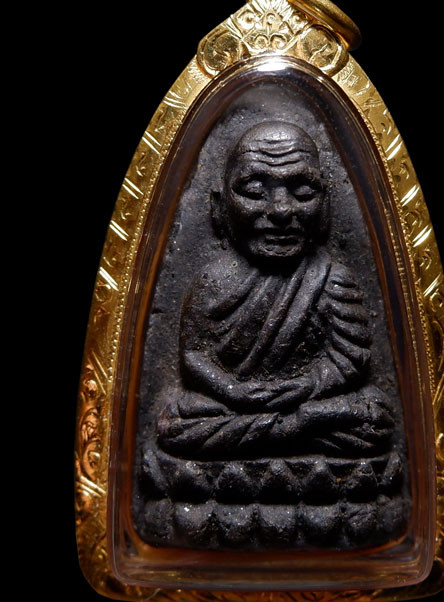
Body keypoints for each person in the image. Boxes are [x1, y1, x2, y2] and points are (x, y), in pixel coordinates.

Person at [157, 121, 394, 460]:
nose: (281, 210)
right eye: (255, 192)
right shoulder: (212, 282)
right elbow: (194, 357)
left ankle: (284, 432)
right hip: (237, 406)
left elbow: (351, 357)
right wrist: (233, 391)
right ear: (219, 206)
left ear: (325, 205)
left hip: (304, 405)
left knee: (373, 417)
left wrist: (306, 386)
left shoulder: (331, 278)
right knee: (177, 420)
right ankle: (293, 433)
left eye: (303, 192)